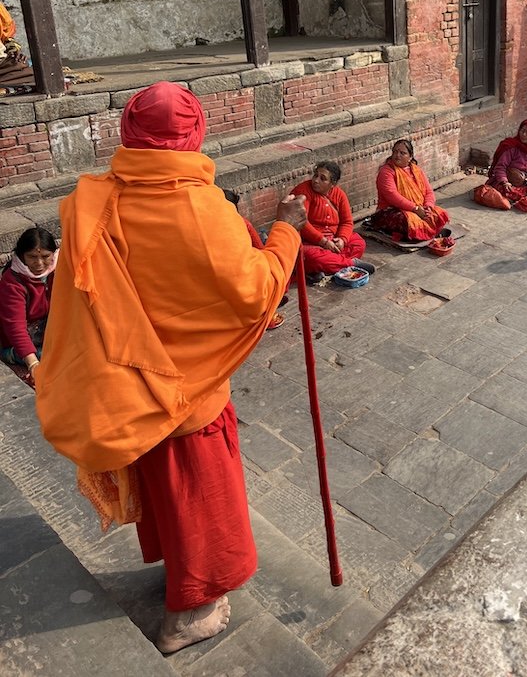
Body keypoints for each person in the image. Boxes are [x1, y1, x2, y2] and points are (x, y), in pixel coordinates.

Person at [35, 81, 306, 653]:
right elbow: (257, 293)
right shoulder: (203, 210)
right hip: (187, 394)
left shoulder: (91, 199)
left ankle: (180, 575)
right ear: (194, 136)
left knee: (169, 492)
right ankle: (193, 611)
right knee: (204, 500)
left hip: (129, 385)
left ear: (130, 134)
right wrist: (285, 231)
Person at [291, 161, 374, 280]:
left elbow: (346, 222)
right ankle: (351, 264)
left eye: (322, 178)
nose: (316, 180)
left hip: (333, 240)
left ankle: (324, 268)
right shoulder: (303, 191)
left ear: (332, 183)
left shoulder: (339, 195)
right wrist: (323, 242)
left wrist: (342, 240)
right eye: (315, 175)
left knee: (359, 243)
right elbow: (302, 223)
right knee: (310, 257)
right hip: (309, 243)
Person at [0, 227, 57, 386]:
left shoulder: (57, 271)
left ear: (53, 254)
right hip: (22, 337)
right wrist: (33, 364)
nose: (39, 264)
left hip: (48, 328)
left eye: (45, 256)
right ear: (21, 255)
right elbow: (16, 327)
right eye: (32, 257)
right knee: (51, 357)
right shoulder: (12, 282)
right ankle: (11, 354)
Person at [223, 188, 286, 327]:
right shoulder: (243, 224)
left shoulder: (207, 227)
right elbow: (261, 250)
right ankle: (266, 313)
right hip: (241, 274)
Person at [371, 139, 450, 241]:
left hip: (419, 208)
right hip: (391, 210)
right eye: (395, 152)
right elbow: (392, 196)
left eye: (402, 153)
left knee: (439, 213)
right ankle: (421, 233)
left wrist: (428, 208)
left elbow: (428, 191)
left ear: (410, 157)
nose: (397, 155)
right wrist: (415, 209)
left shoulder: (417, 170)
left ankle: (423, 232)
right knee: (408, 221)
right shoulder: (386, 171)